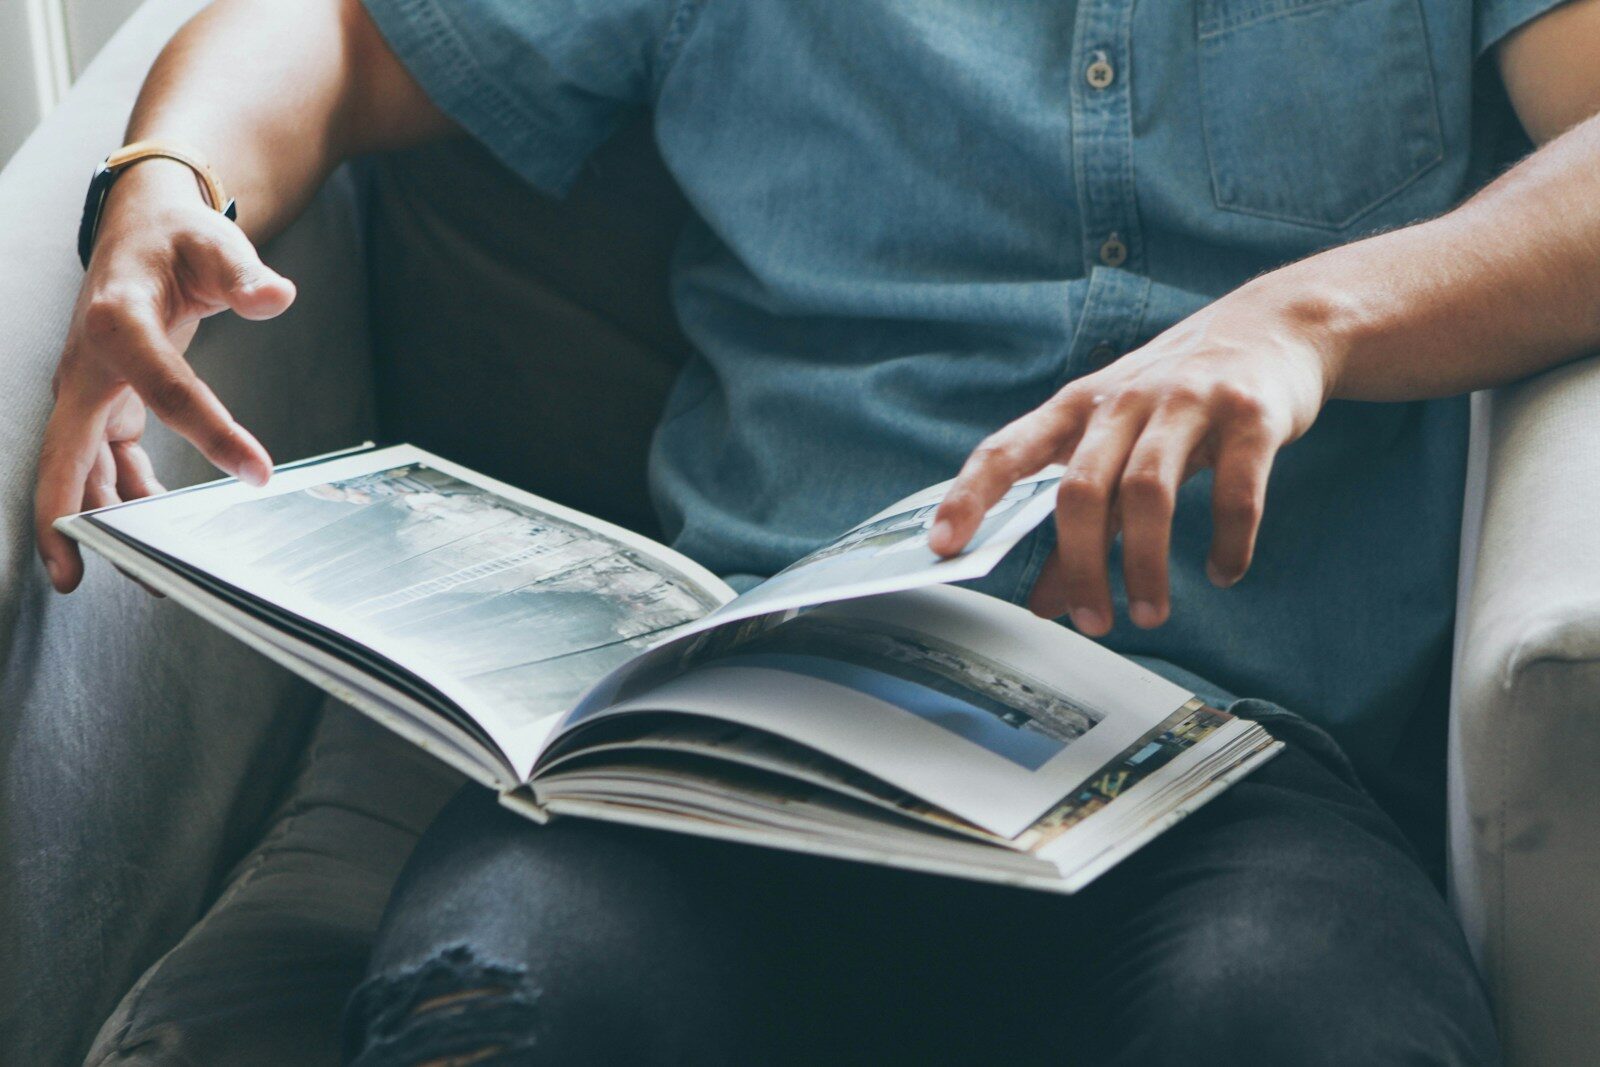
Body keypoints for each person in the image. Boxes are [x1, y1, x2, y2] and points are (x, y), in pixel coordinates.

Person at [33, 0, 1600, 1061]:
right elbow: (340, 33)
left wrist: (1313, 319)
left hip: (1235, 760)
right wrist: (169, 182)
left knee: (1301, 1029)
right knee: (504, 1006)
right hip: (725, 746)